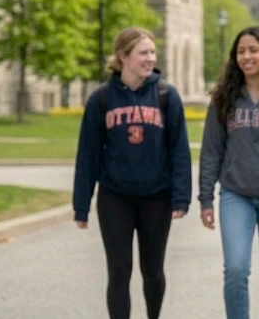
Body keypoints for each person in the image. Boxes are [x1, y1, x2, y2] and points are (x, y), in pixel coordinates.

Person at [73, 27, 193, 319]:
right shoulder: (101, 99)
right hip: (115, 198)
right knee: (118, 271)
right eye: (143, 53)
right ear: (122, 57)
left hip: (157, 197)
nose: (150, 58)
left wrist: (181, 197)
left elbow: (179, 150)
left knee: (152, 271)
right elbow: (88, 154)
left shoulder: (166, 95)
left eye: (152, 52)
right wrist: (81, 205)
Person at [199, 26, 259, 319]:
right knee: (236, 270)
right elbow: (211, 151)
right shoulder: (224, 98)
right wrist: (206, 199)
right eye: (241, 51)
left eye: (253, 50)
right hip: (236, 196)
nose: (246, 56)